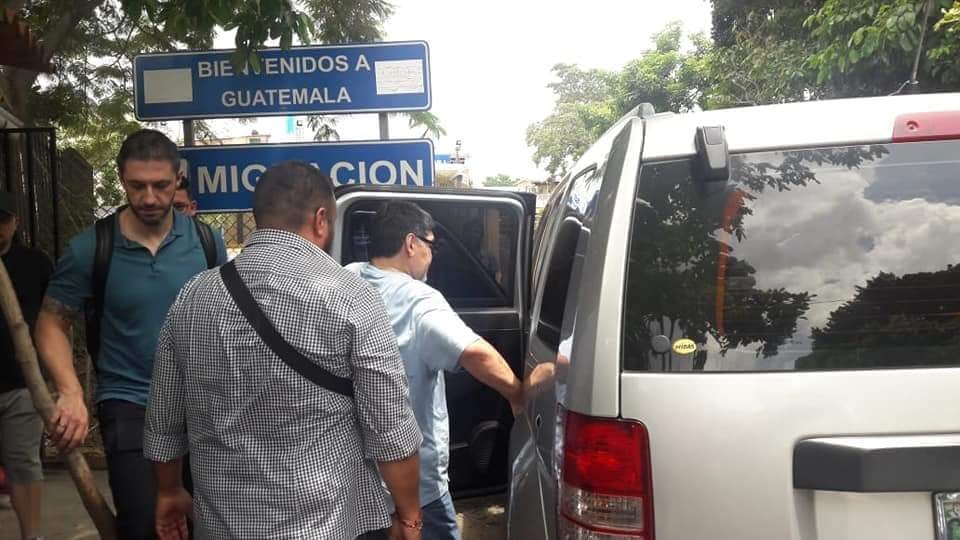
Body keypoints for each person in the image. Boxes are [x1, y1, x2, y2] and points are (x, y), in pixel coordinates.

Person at [144, 161, 424, 540]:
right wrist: (408, 516)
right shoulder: (352, 297)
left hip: (221, 527)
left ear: (260, 218)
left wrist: (168, 490)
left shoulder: (193, 296)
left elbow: (163, 418)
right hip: (323, 527)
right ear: (321, 219)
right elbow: (390, 429)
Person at [34, 129, 227, 539]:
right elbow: (51, 322)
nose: (151, 197)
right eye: (138, 186)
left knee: (209, 526)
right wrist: (70, 391)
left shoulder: (208, 244)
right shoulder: (92, 249)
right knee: (144, 524)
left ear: (178, 179)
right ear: (122, 179)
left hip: (204, 407)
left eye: (161, 185)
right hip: (129, 405)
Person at [347, 202, 524, 540]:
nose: (433, 255)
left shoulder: (348, 279)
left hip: (359, 484)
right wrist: (517, 392)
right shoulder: (420, 299)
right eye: (432, 245)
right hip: (417, 488)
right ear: (411, 243)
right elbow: (474, 352)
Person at [0, 192, 52, 540]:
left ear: (15, 222)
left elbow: (53, 321)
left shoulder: (35, 264)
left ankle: (31, 536)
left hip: (21, 385)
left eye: (3, 220)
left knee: (24, 465)